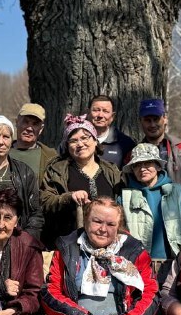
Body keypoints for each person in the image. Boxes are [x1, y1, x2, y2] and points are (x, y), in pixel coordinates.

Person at [40, 114, 122, 248]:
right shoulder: (56, 170)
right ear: (67, 146)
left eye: (85, 138)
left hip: (108, 246)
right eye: (73, 141)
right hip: (70, 245)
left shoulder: (112, 171)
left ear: (95, 140)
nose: (80, 144)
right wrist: (69, 197)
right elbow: (45, 201)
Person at [118, 143, 181, 259]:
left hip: (174, 263)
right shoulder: (124, 197)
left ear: (158, 166)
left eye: (148, 163)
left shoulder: (176, 192)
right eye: (137, 165)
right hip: (138, 265)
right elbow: (120, 234)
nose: (142, 169)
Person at [138, 98, 181, 201]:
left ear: (165, 119)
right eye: (147, 120)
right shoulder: (135, 153)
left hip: (178, 212)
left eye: (156, 119)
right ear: (140, 121)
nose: (152, 125)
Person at [9, 103, 60, 178]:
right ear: (17, 122)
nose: (29, 128)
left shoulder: (51, 157)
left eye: (35, 124)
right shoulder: (1, 152)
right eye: (25, 122)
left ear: (41, 129)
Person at [87, 94, 136, 167]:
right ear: (88, 113)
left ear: (112, 116)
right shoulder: (77, 140)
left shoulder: (126, 144)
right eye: (96, 110)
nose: (100, 115)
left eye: (105, 111)